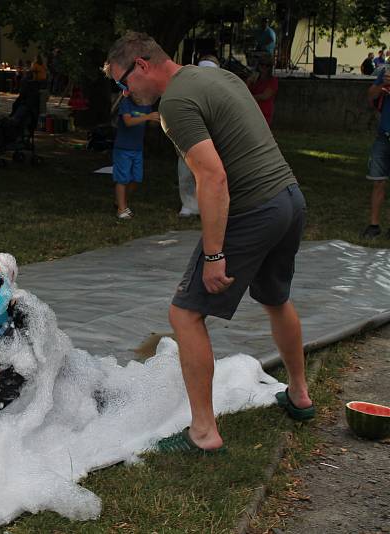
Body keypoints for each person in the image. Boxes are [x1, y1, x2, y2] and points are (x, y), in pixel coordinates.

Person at [104, 32, 313, 453]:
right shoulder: (218, 78)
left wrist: (215, 254)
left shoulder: (175, 104)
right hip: (289, 198)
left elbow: (212, 177)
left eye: (123, 82)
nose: (125, 93)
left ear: (142, 65)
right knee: (275, 298)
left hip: (253, 208)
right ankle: (299, 395)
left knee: (185, 314)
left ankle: (203, 432)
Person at [177, 55, 219, 218]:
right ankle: (189, 204)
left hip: (212, 135)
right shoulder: (187, 88)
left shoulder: (219, 90)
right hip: (190, 135)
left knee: (210, 172)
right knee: (186, 171)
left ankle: (209, 205)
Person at [112, 91, 159, 220]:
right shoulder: (126, 103)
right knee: (123, 178)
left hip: (137, 149)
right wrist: (148, 117)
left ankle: (121, 201)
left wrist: (156, 119)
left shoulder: (146, 106)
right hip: (123, 148)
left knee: (136, 179)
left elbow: (151, 122)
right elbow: (128, 121)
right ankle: (121, 209)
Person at [359, 68, 390, 239]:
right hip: (383, 136)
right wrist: (383, 84)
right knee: (378, 181)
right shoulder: (386, 72)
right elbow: (370, 94)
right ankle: (374, 225)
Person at [247, 57, 279, 126]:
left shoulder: (272, 81)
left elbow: (265, 96)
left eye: (267, 65)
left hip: (264, 111)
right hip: (252, 109)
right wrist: (249, 81)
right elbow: (245, 90)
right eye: (262, 64)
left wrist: (248, 97)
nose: (264, 67)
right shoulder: (255, 79)